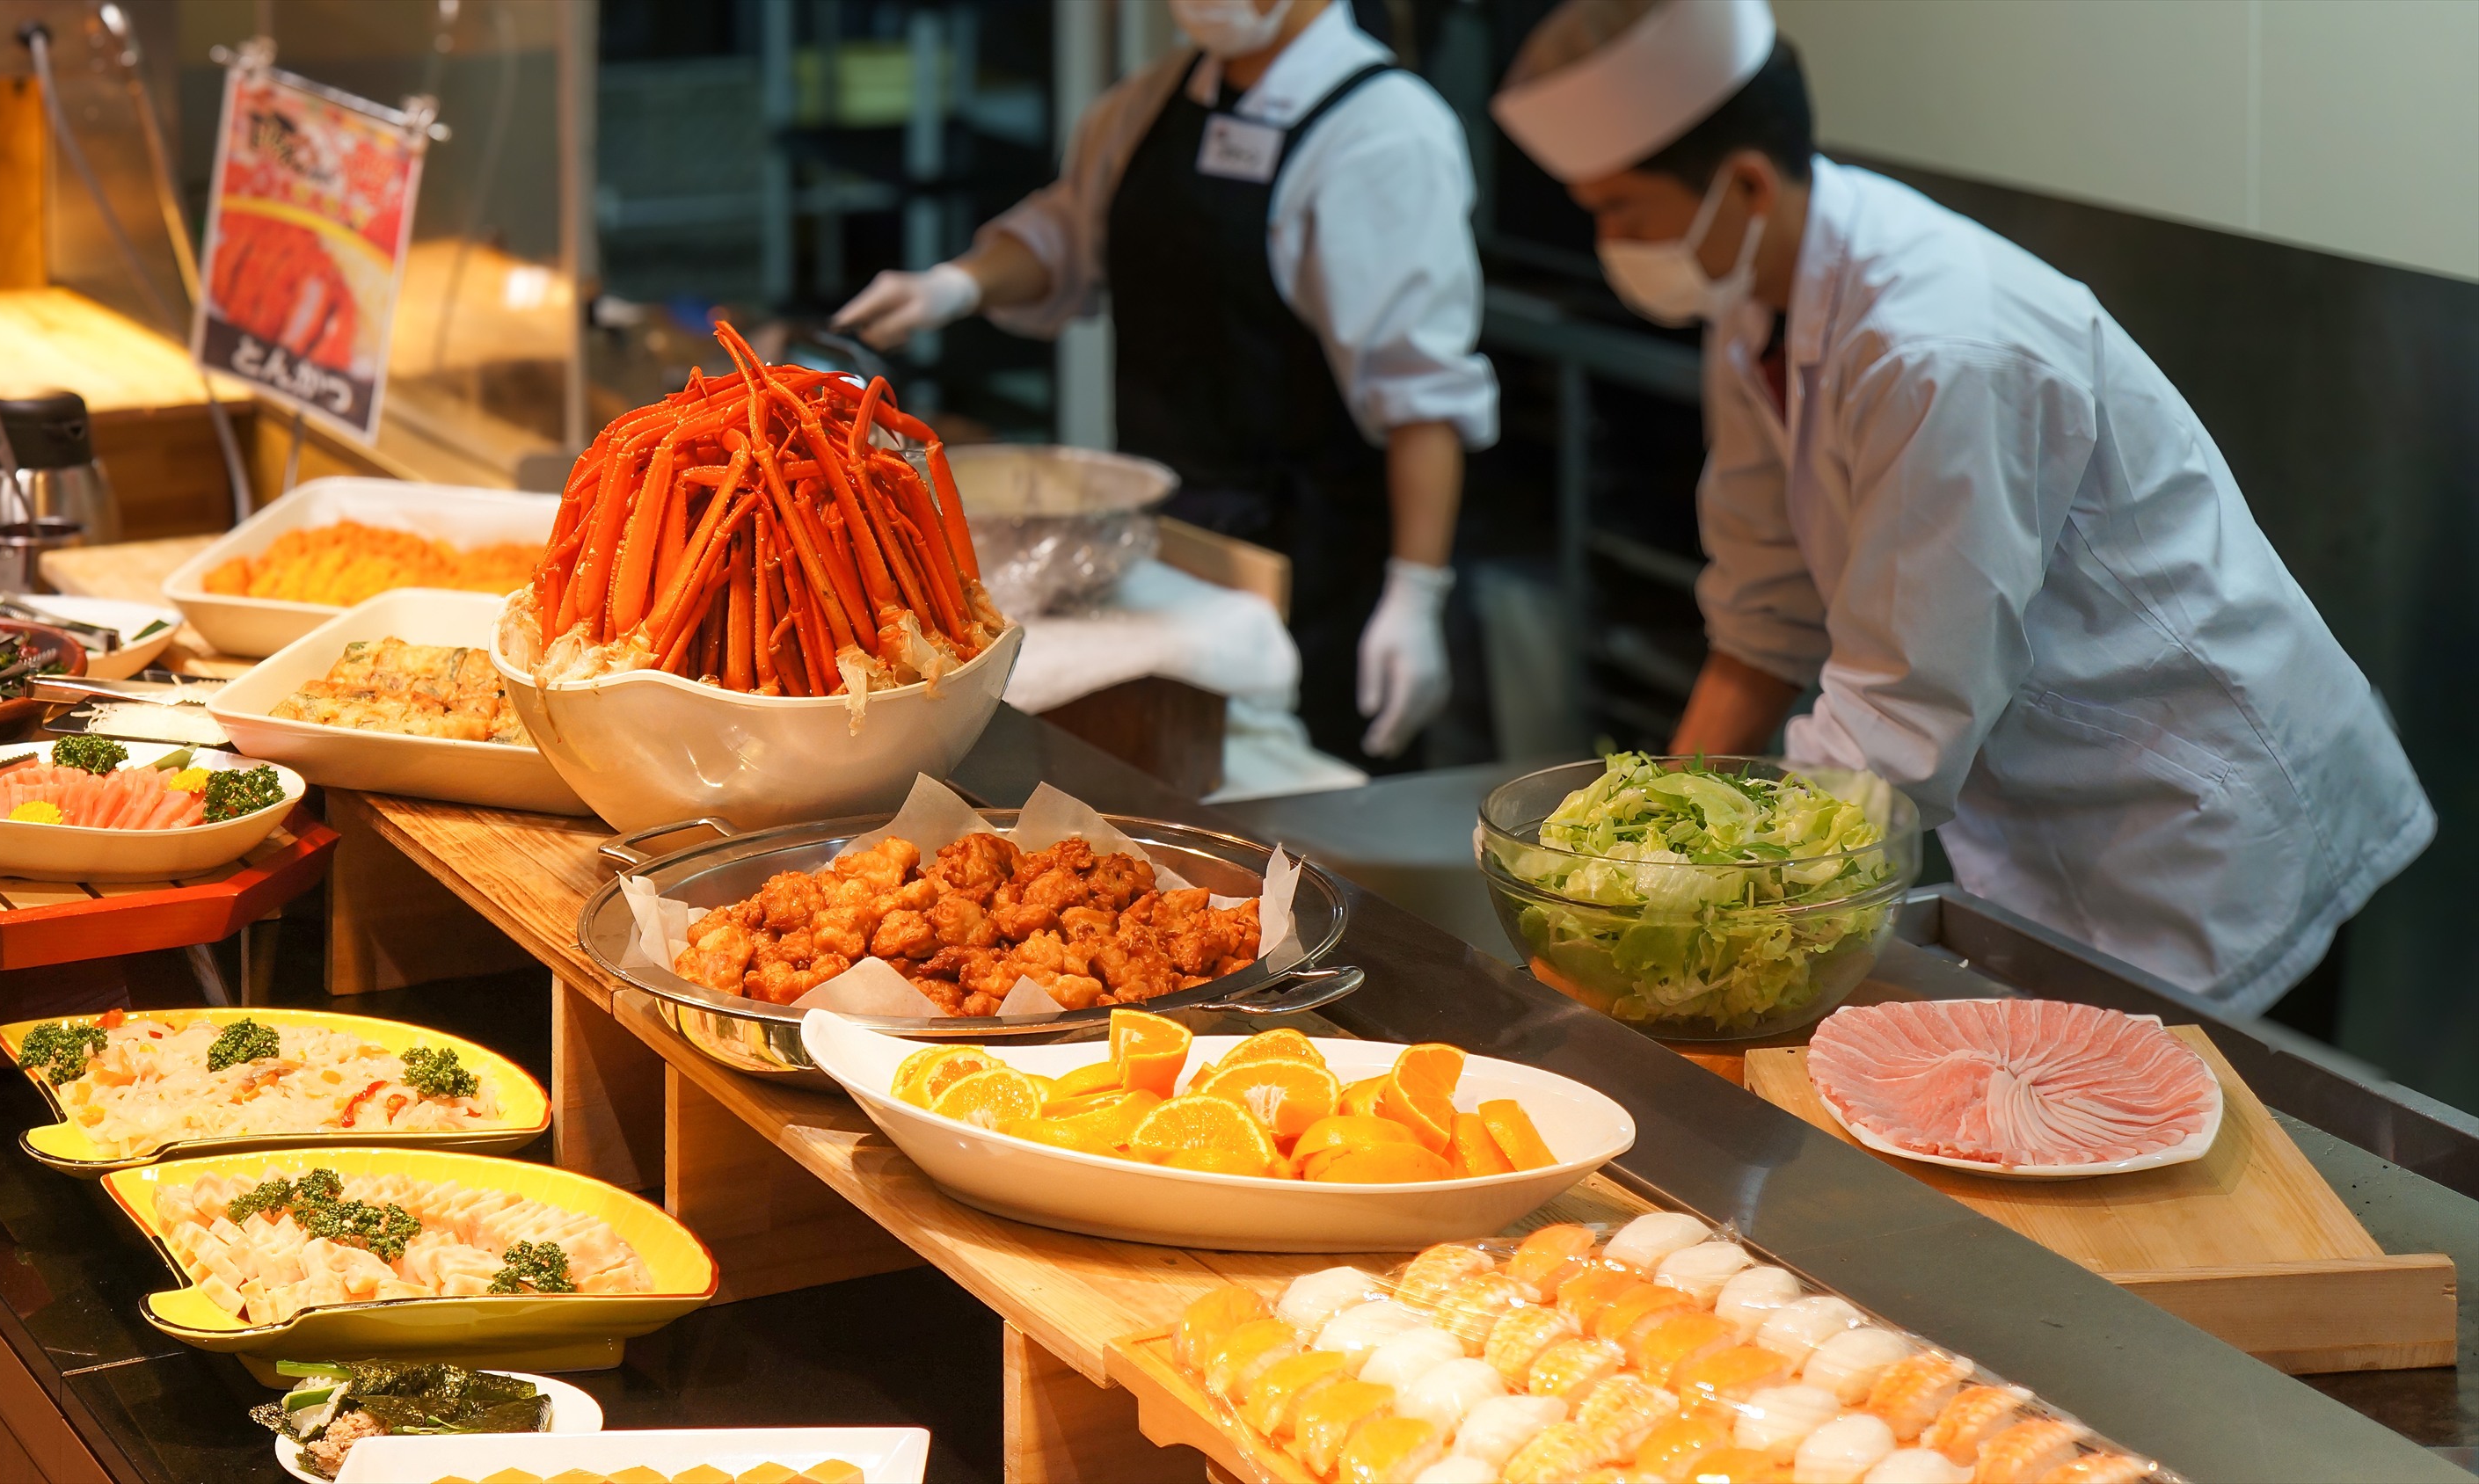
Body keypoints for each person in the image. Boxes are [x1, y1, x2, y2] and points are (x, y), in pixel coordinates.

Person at [1492, 0, 2432, 1010]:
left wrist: (1699, 911)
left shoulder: (1940, 348)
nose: (1605, 241)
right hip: (2059, 815)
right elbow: (1762, 620)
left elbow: (1899, 716)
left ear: (1746, 182)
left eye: (1619, 210)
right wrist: (1640, 864)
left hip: (2203, 819)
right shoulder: (1755, 303)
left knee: (2206, 1143)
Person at [834, 0, 1497, 770]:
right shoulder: (1153, 100)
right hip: (1171, 542)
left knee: (1308, 803)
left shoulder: (1387, 131)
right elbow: (1072, 232)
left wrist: (1416, 592)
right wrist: (955, 287)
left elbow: (1421, 396)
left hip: (1325, 559)